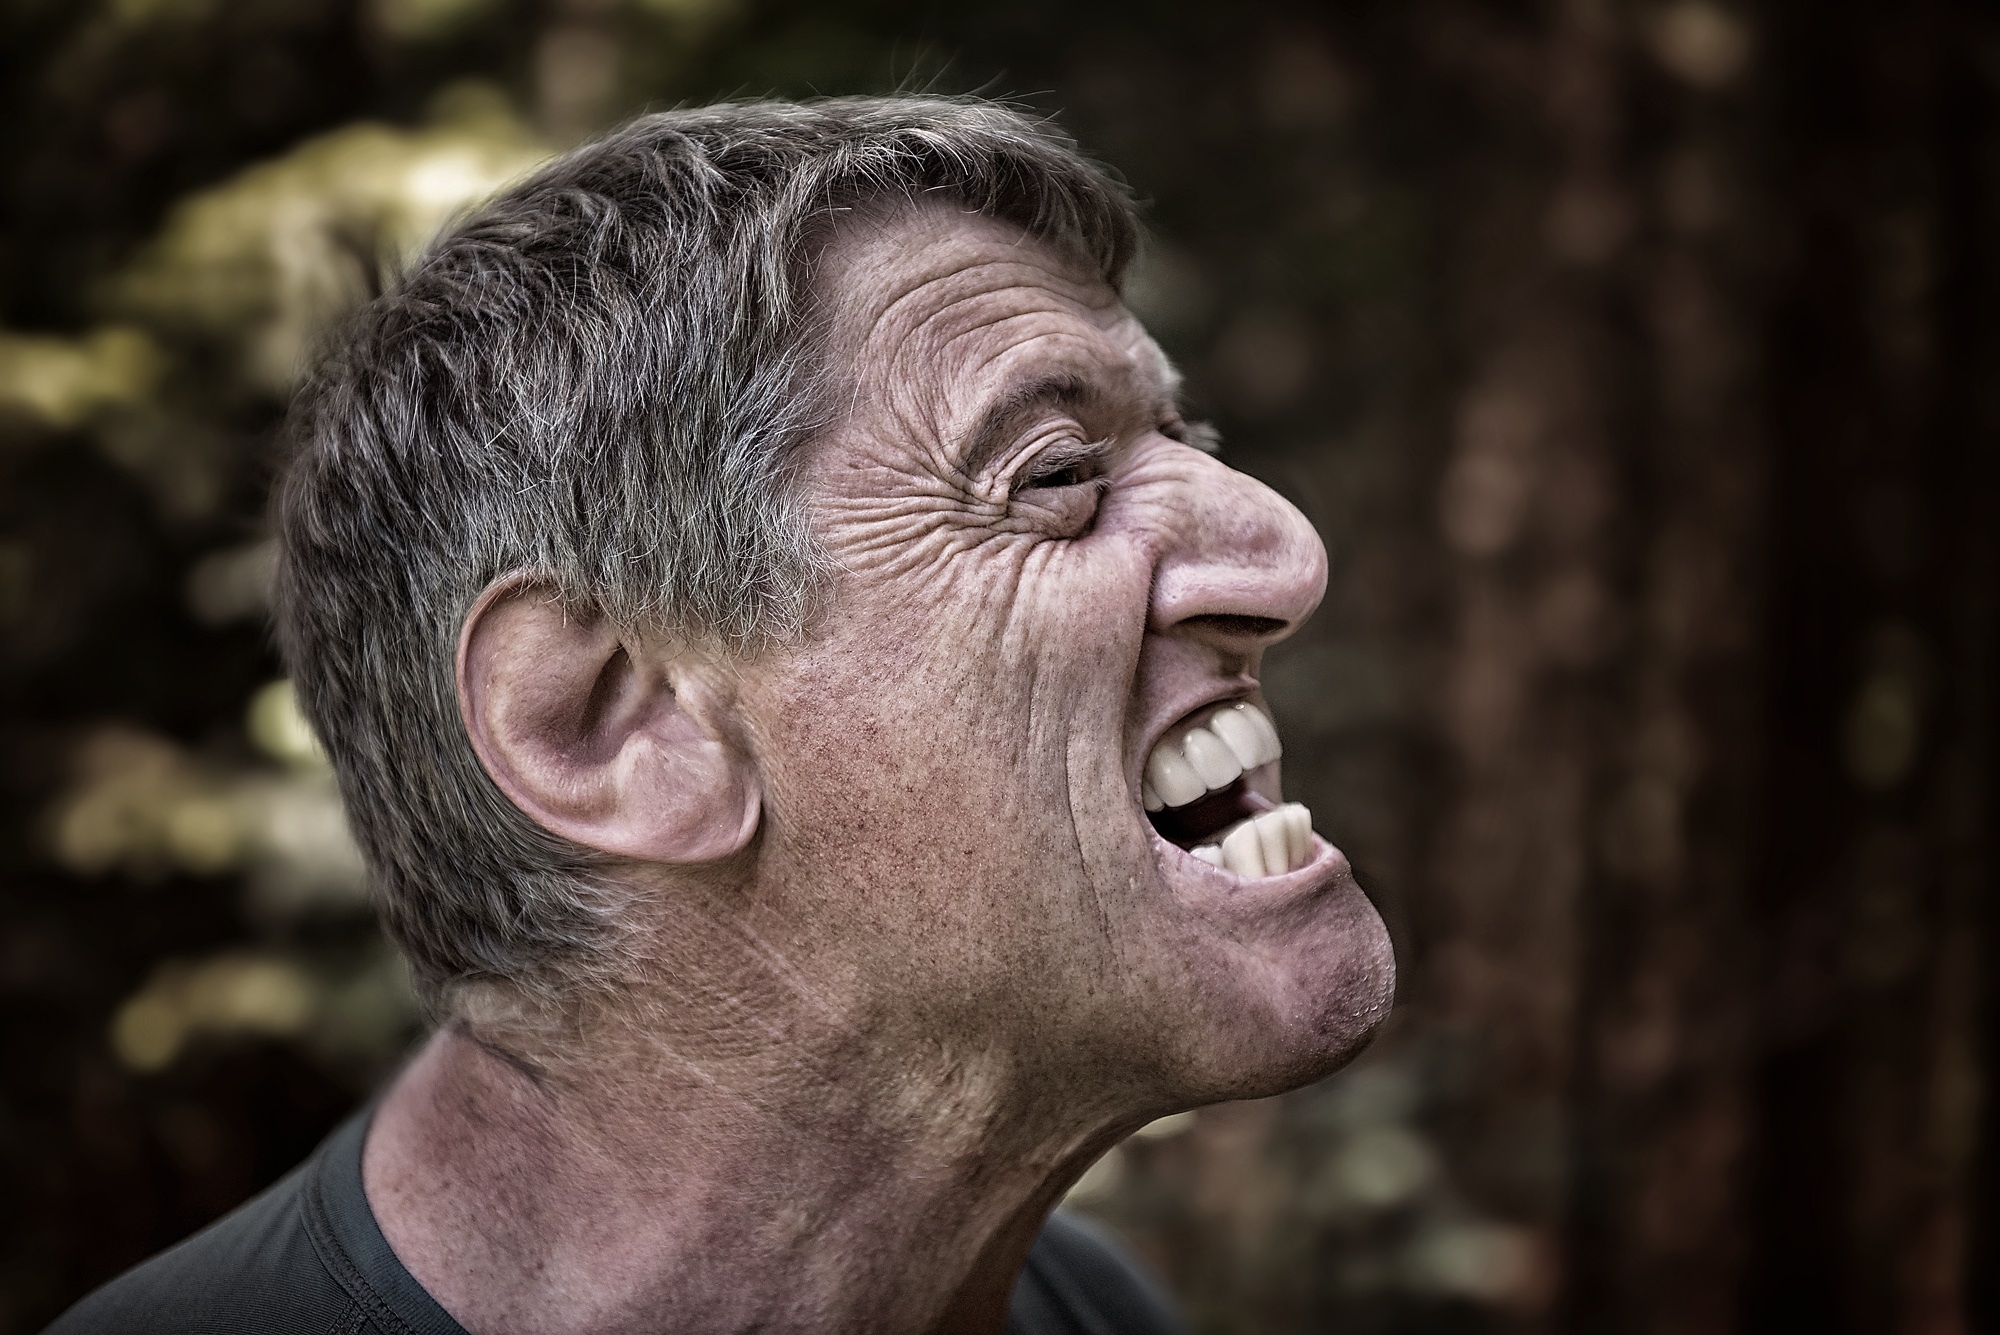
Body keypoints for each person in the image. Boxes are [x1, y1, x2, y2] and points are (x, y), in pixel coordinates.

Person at [50, 96, 1395, 1335]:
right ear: (614, 723)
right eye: (1054, 476)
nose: (1284, 554)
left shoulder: (1091, 1312)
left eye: (1189, 443)